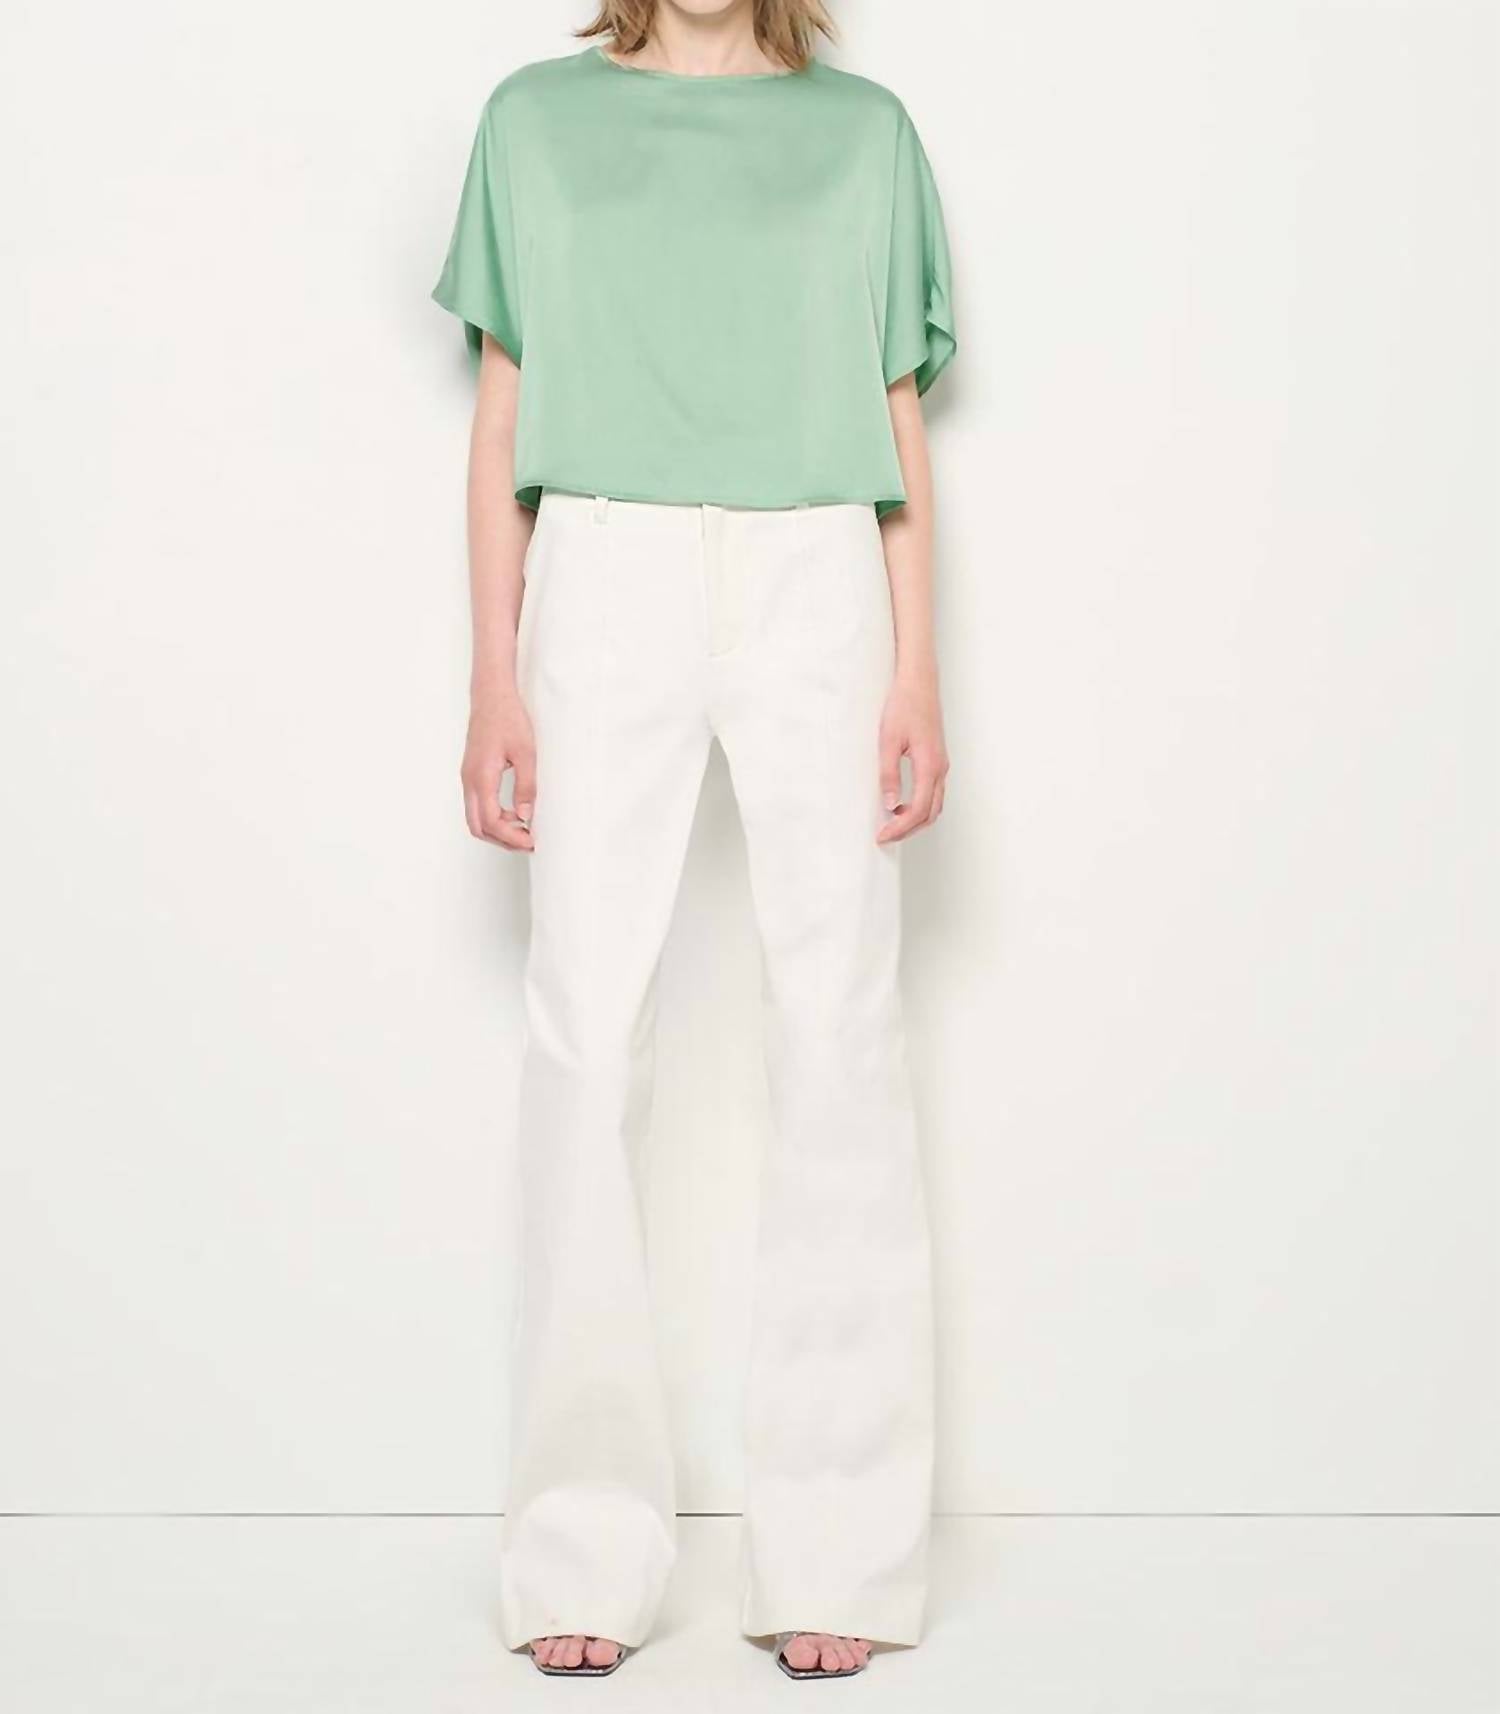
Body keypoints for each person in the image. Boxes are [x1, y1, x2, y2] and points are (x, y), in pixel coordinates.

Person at [432, 0, 954, 1682]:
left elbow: (896, 423)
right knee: (587, 1033)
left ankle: (840, 1543)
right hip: (606, 568)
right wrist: (494, 676)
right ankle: (578, 1542)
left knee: (840, 1026)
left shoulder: (864, 138)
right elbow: (501, 422)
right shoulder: (534, 121)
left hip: (819, 571)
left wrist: (920, 669)